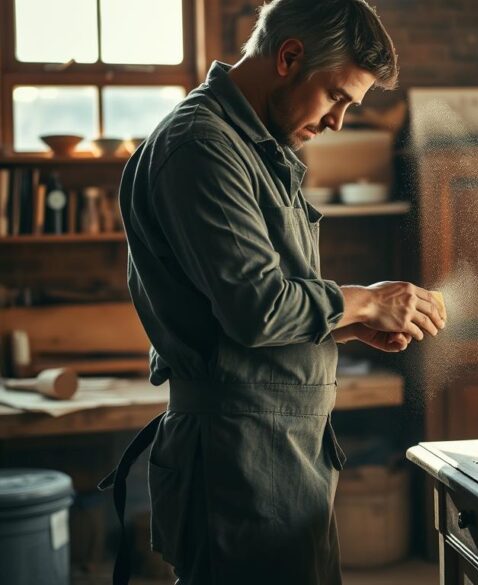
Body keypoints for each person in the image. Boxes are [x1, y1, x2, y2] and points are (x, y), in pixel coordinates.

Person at [99, 1, 442, 583]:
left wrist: (346, 324)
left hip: (279, 454)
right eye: (336, 96)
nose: (338, 121)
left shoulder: (256, 145)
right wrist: (366, 299)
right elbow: (257, 307)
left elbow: (260, 304)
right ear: (289, 56)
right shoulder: (202, 146)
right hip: (238, 464)